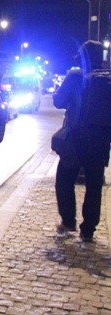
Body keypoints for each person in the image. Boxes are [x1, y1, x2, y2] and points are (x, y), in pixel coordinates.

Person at [53, 40, 111, 242]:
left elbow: (59, 101)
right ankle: (88, 230)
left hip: (76, 140)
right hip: (101, 142)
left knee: (64, 179)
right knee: (94, 185)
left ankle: (68, 220)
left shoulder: (76, 77)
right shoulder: (107, 79)